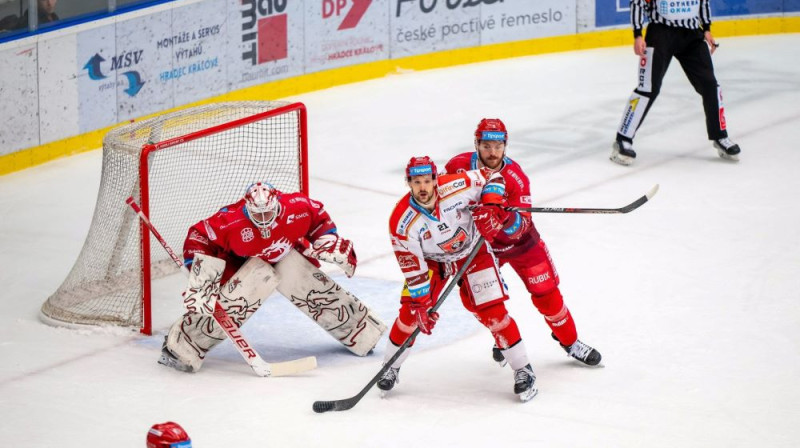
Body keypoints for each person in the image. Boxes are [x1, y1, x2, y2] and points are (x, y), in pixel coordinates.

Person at [379, 156, 538, 402]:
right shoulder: (401, 222)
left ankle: (523, 369)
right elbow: (413, 267)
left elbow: (491, 176)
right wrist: (421, 303)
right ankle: (391, 365)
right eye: (417, 182)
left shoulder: (456, 185)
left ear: (436, 179)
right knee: (410, 314)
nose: (423, 188)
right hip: (433, 261)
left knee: (493, 312)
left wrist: (492, 205)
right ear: (408, 183)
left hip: (472, 252)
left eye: (427, 181)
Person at [158, 182, 363, 373]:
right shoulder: (230, 221)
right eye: (258, 213)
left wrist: (326, 242)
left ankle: (358, 331)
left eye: (268, 212)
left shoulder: (297, 206)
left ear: (277, 203)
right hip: (242, 266)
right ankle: (181, 348)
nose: (264, 218)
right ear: (247, 208)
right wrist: (201, 273)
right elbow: (199, 236)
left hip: (287, 256)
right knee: (231, 299)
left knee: (310, 285)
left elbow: (320, 221)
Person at [446, 118, 602, 368]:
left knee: (547, 297)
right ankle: (504, 339)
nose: (492, 152)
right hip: (481, 248)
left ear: (505, 146)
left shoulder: (516, 177)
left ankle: (571, 342)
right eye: (486, 145)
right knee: (480, 301)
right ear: (476, 144)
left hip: (521, 246)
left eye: (498, 146)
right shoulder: (457, 167)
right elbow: (444, 205)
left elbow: (522, 226)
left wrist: (503, 217)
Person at [610, 0, 741, 165]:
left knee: (710, 85)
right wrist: (638, 34)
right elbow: (637, 2)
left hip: (692, 34)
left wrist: (707, 29)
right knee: (648, 88)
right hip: (661, 33)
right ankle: (623, 139)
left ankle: (720, 136)